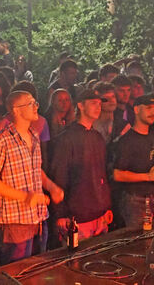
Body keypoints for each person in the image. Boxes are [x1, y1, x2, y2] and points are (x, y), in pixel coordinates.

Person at [0, 91, 64, 264]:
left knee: (36, 269)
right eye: (31, 103)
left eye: (35, 102)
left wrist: (51, 186)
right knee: (17, 272)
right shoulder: (1, 141)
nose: (37, 106)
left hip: (38, 216)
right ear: (17, 110)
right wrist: (26, 197)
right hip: (15, 220)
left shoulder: (34, 135)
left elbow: (36, 170)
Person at [50, 90, 112, 242]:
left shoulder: (97, 137)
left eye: (99, 104)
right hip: (77, 216)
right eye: (93, 103)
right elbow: (59, 175)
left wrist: (106, 205)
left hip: (99, 213)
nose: (98, 107)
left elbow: (101, 174)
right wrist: (61, 213)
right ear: (80, 105)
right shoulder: (67, 138)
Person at [113, 95, 154, 228]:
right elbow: (117, 174)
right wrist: (148, 177)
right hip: (137, 201)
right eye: (148, 108)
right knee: (139, 243)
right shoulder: (127, 141)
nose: (152, 113)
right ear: (137, 110)